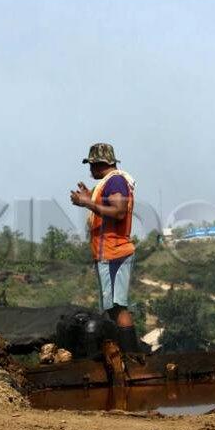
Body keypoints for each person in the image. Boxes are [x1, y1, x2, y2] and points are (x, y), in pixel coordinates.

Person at [70, 142, 141, 353]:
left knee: (118, 308)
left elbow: (118, 211)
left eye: (91, 164)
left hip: (114, 253)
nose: (90, 169)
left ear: (98, 163)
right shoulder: (109, 182)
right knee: (112, 308)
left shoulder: (116, 182)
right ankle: (126, 356)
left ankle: (132, 357)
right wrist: (89, 196)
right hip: (107, 253)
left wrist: (86, 203)